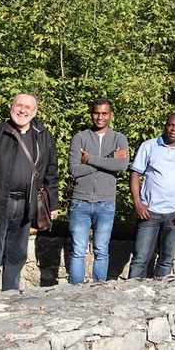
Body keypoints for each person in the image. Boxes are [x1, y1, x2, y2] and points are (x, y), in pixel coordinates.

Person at [0, 93, 59, 294]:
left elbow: (51, 173)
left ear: (35, 111)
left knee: (17, 255)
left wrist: (53, 204)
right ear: (11, 106)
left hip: (27, 204)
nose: (22, 110)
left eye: (28, 107)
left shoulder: (44, 136)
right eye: (19, 105)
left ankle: (11, 298)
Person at [67, 98, 129, 284]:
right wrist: (110, 158)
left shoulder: (119, 138)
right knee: (78, 251)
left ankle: (99, 290)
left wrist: (91, 159)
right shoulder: (80, 137)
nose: (100, 117)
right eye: (96, 113)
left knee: (101, 250)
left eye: (104, 113)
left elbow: (121, 166)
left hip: (106, 203)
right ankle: (75, 291)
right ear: (91, 113)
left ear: (111, 115)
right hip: (80, 202)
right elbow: (75, 170)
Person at [127, 113, 175, 279]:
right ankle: (131, 292)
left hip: (174, 214)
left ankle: (160, 293)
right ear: (165, 126)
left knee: (166, 260)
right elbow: (135, 175)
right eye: (170, 125)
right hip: (149, 212)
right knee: (140, 259)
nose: (173, 129)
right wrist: (137, 203)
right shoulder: (148, 146)